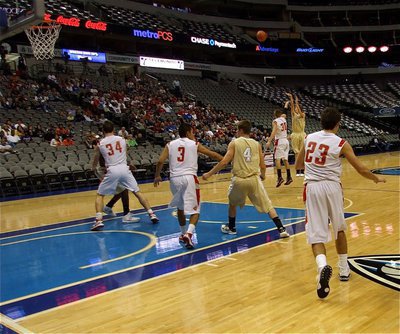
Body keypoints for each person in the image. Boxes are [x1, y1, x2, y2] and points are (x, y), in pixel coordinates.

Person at [295, 107, 386, 299]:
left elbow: (298, 164)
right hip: (333, 187)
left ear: (321, 122)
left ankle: (322, 267)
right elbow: (360, 168)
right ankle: (343, 268)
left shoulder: (309, 137)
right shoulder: (341, 143)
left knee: (316, 234)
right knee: (339, 228)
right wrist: (375, 178)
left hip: (312, 187)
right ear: (338, 124)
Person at [202, 120, 290, 239]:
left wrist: (209, 173)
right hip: (254, 179)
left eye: (238, 130)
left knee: (232, 204)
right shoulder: (256, 144)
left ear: (241, 130)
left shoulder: (234, 143)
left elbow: (224, 162)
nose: (237, 132)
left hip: (239, 179)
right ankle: (281, 229)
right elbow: (262, 165)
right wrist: (263, 175)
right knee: (268, 206)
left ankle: (232, 228)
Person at [154, 123, 223, 249]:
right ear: (187, 132)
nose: (193, 134)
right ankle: (189, 233)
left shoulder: (170, 144)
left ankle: (182, 233)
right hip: (189, 177)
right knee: (195, 210)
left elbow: (160, 161)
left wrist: (157, 175)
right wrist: (224, 159)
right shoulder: (194, 144)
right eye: (192, 132)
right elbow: (211, 154)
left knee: (180, 208)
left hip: (174, 179)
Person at [91, 121, 159, 231]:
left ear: (103, 131)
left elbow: (96, 158)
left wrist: (93, 168)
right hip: (124, 168)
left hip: (112, 170)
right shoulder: (122, 139)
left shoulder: (100, 143)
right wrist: (129, 163)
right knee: (137, 192)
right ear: (113, 129)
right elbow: (126, 151)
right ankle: (152, 214)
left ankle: (98, 221)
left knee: (100, 195)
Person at [93, 153, 140, 224]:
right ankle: (126, 215)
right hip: (104, 170)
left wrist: (127, 165)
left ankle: (108, 207)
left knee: (122, 189)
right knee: (124, 189)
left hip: (110, 170)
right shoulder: (105, 144)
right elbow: (102, 158)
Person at [266, 109, 293, 187]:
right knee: (285, 159)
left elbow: (274, 131)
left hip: (280, 141)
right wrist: (286, 106)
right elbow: (284, 114)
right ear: (281, 114)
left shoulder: (275, 121)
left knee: (277, 159)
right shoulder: (283, 119)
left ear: (274, 115)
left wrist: (269, 141)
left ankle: (280, 177)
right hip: (286, 141)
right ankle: (289, 177)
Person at [286, 93, 306, 176]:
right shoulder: (293, 115)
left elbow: (300, 113)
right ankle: (298, 170)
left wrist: (297, 103)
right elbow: (292, 109)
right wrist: (291, 98)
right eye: (295, 108)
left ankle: (303, 170)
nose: (295, 109)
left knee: (302, 153)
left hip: (301, 134)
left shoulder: (303, 115)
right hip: (295, 134)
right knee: (296, 153)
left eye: (297, 108)